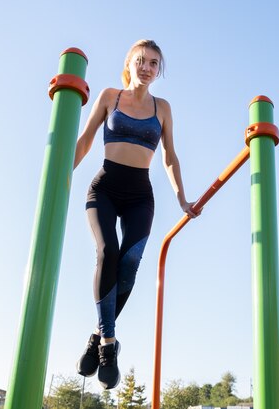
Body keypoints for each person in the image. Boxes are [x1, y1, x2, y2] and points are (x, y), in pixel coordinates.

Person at [73, 39, 200, 389]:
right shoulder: (109, 97)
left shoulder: (163, 108)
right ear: (129, 62)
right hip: (105, 187)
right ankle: (109, 345)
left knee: (129, 263)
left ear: (160, 70)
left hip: (140, 195)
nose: (146, 68)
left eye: (154, 63)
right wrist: (61, 173)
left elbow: (170, 157)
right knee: (107, 252)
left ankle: (97, 336)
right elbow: (84, 141)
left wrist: (182, 199)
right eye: (141, 61)